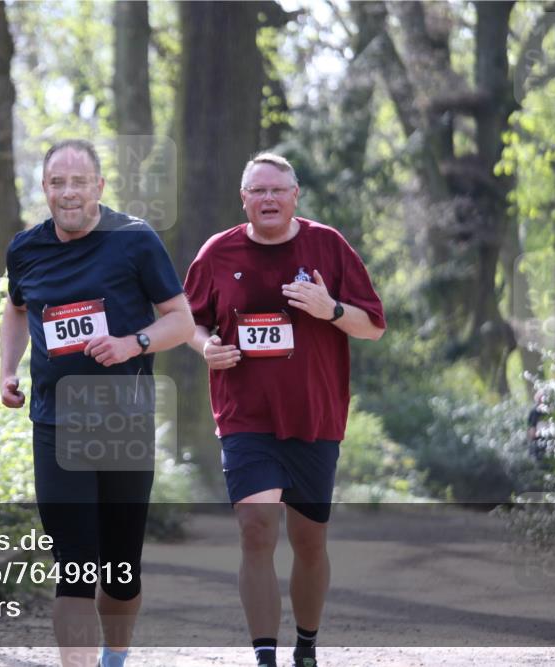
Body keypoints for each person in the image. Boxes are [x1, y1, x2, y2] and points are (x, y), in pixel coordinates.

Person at [183, 153, 385, 667]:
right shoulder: (216, 253)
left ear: (296, 195)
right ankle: (264, 656)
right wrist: (206, 347)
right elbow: (186, 321)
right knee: (257, 530)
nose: (268, 199)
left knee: (309, 542)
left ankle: (308, 646)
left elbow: (374, 326)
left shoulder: (327, 246)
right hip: (245, 416)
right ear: (243, 199)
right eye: (257, 191)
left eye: (277, 190)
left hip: (314, 415)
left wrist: (332, 309)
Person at [0, 139, 194, 667]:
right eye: (57, 183)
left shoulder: (134, 240)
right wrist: (6, 371)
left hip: (122, 424)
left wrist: (134, 343)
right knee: (75, 566)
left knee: (121, 569)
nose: (68, 193)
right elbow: (17, 309)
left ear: (99, 186)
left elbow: (181, 319)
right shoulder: (24, 248)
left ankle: (115, 657)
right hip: (56, 424)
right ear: (44, 189)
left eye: (78, 181)